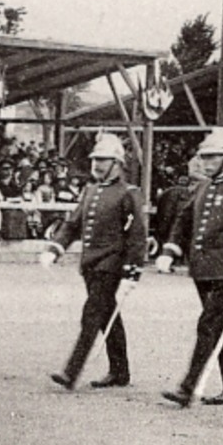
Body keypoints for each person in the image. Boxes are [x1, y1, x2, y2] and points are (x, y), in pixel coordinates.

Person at [154, 127, 223, 408]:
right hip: (203, 268)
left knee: (208, 325)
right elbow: (184, 219)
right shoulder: (203, 186)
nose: (205, 162)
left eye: (212, 157)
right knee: (221, 327)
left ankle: (188, 386)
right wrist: (171, 248)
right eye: (204, 157)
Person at [43, 133, 147, 390]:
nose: (97, 165)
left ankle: (71, 371)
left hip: (111, 265)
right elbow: (73, 225)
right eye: (95, 160)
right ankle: (120, 372)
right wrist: (55, 248)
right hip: (90, 264)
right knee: (107, 315)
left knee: (91, 315)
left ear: (117, 164)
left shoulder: (129, 193)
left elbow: (137, 236)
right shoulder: (90, 190)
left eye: (103, 160)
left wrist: (132, 272)